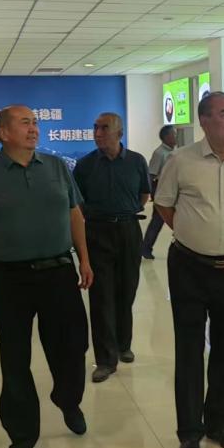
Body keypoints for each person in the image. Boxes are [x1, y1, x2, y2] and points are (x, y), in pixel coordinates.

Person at [0, 105, 94, 448]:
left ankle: (67, 399)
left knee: (73, 347)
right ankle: (21, 439)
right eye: (25, 123)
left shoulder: (56, 167)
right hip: (10, 278)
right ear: (3, 133)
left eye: (35, 123)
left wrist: (84, 258)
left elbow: (75, 214)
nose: (34, 129)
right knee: (15, 359)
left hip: (58, 272)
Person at [155, 92, 224, 448]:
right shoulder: (180, 160)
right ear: (203, 121)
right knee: (189, 350)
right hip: (189, 267)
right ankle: (190, 432)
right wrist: (194, 232)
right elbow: (164, 204)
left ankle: (218, 422)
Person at [72, 112, 150, 382]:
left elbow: (144, 194)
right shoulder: (85, 165)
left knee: (127, 290)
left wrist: (126, 211)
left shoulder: (137, 161)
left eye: (104, 128)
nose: (98, 133)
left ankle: (123, 344)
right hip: (97, 232)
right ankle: (105, 359)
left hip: (129, 230)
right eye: (95, 128)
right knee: (101, 296)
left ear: (119, 133)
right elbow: (77, 203)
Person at [141, 125, 177, 260]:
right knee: (157, 221)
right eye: (174, 134)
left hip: (173, 190)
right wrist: (152, 194)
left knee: (178, 219)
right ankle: (145, 248)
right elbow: (151, 175)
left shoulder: (174, 152)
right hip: (161, 190)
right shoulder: (159, 153)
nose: (176, 137)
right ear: (167, 137)